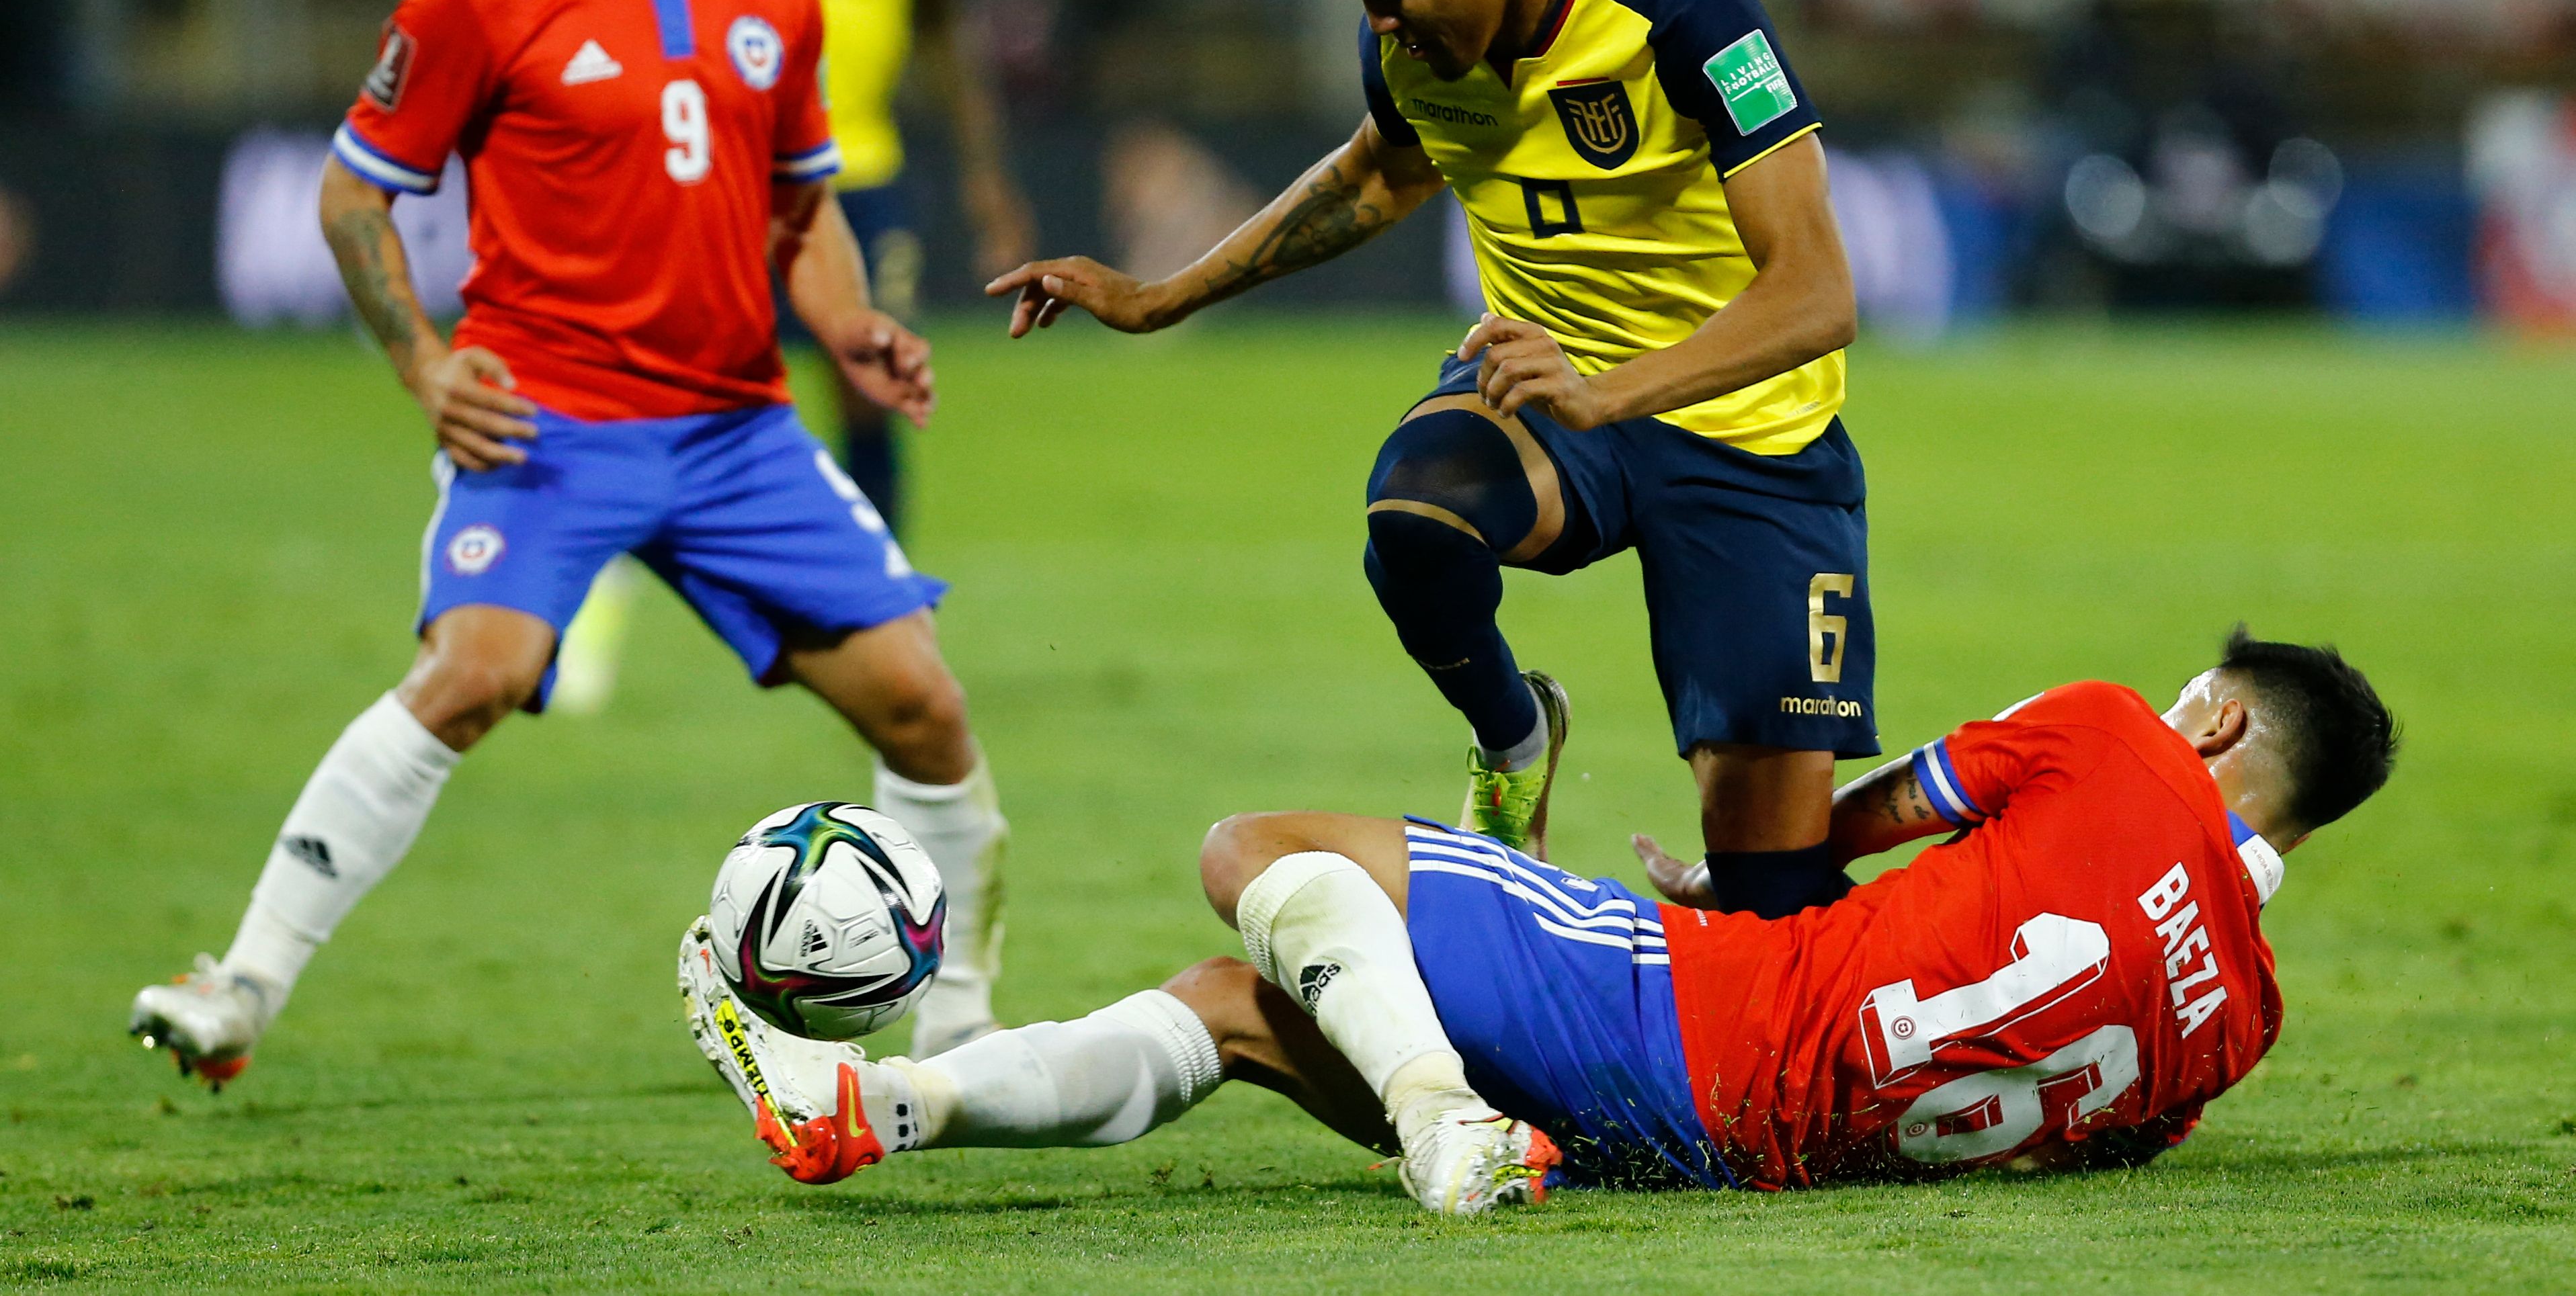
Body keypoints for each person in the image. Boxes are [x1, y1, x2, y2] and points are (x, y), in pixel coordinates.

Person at [127, 0, 1009, 1088]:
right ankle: (241, 982)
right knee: (474, 670)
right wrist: (422, 361)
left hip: (735, 427)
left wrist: (846, 322)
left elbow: (801, 204)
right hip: (552, 418)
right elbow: (356, 196)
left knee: (925, 703)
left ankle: (964, 1018)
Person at [988, 0, 1868, 916]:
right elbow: (1373, 175)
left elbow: (1815, 292)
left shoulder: (1680, 2)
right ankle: (1512, 746)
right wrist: (1161, 298)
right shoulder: (1409, 47)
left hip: (1748, 438)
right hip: (1552, 405)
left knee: (1772, 899)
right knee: (1417, 511)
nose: (1378, 19)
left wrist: (1610, 393)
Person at [679, 629, 2396, 1214]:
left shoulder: (2110, 735)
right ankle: (878, 1106)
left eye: (2198, 696)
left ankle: (1444, 1129)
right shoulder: (2237, 1033)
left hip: (1697, 1015)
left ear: (2222, 726)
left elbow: (1865, 811)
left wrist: (1736, 890)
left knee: (1254, 847)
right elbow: (2049, 1155)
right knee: (1237, 1004)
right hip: (1753, 1160)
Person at [717, 0, 1034, 529]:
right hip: (737, 173)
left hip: (864, 166)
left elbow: (941, 24)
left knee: (871, 384)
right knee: (706, 397)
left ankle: (876, 599)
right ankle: (625, 592)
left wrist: (985, 179)